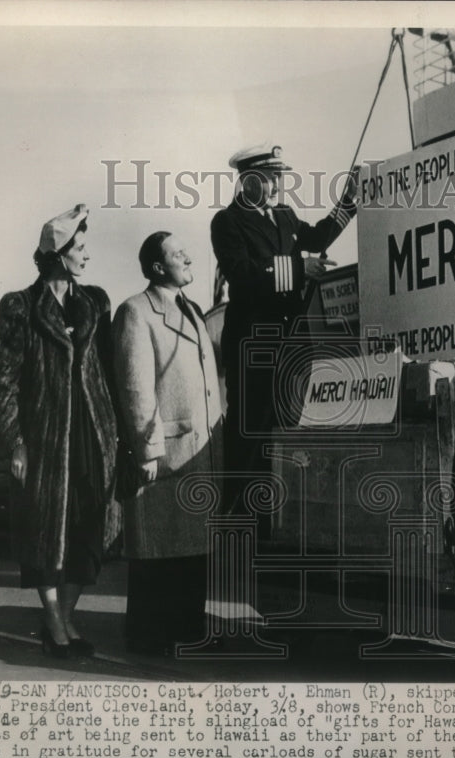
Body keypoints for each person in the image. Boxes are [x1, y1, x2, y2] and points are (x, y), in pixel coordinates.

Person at [0, 203, 119, 659]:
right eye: (79, 248)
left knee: (91, 528)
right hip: (43, 440)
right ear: (59, 254)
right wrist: (14, 445)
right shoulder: (19, 307)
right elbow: (4, 382)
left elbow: (111, 371)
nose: (87, 255)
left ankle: (65, 615)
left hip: (91, 434)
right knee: (43, 532)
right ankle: (54, 623)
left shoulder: (96, 303)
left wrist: (118, 434)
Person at [210, 144, 358, 516]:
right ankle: (240, 526)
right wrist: (298, 269)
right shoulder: (227, 222)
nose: (278, 184)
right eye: (271, 177)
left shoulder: (285, 215)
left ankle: (277, 524)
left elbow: (319, 238)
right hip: (254, 345)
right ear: (247, 181)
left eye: (280, 176)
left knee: (286, 430)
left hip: (291, 344)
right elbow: (241, 275)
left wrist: (348, 201)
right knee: (251, 435)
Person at [113, 231, 223, 654]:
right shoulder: (135, 313)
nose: (188, 258)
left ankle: (188, 630)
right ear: (158, 267)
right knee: (158, 550)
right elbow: (136, 388)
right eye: (179, 254)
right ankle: (149, 639)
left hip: (199, 453)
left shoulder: (193, 310)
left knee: (191, 549)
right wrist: (146, 450)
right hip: (164, 454)